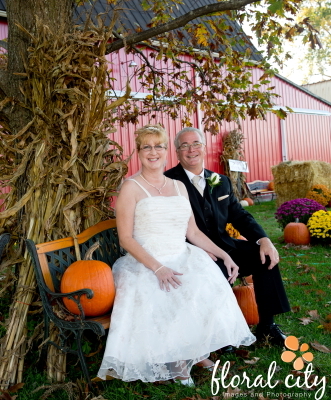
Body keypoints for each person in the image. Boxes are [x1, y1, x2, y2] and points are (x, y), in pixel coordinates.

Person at [98, 124, 256, 385]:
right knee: (167, 292)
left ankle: (194, 351)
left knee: (204, 284)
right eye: (146, 146)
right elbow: (126, 239)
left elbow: (192, 232)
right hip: (147, 261)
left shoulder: (179, 186)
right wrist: (158, 268)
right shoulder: (131, 187)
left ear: (166, 151)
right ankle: (178, 362)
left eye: (158, 146)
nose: (153, 152)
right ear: (138, 151)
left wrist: (224, 255)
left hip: (182, 253)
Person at [164, 127, 291, 346]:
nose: (191, 150)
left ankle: (267, 327)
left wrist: (264, 240)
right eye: (184, 145)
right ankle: (219, 336)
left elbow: (239, 215)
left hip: (225, 245)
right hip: (192, 251)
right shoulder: (168, 182)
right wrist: (197, 249)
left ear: (204, 148)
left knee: (266, 258)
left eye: (195, 144)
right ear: (176, 152)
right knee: (216, 272)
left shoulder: (219, 181)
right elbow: (167, 225)